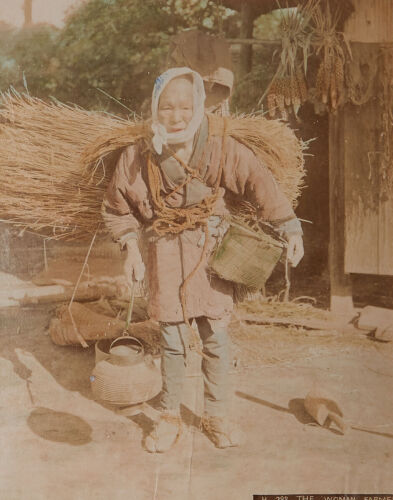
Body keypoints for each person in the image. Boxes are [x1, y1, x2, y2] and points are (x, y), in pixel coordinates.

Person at [102, 67, 304, 453]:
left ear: (198, 106)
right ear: (154, 107)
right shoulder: (137, 154)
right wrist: (130, 247)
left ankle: (217, 414)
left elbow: (260, 183)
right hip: (163, 250)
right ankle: (169, 417)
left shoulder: (221, 146)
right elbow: (117, 207)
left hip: (209, 249)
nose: (175, 116)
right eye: (166, 107)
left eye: (184, 107)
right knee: (174, 341)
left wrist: (291, 228)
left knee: (215, 338)